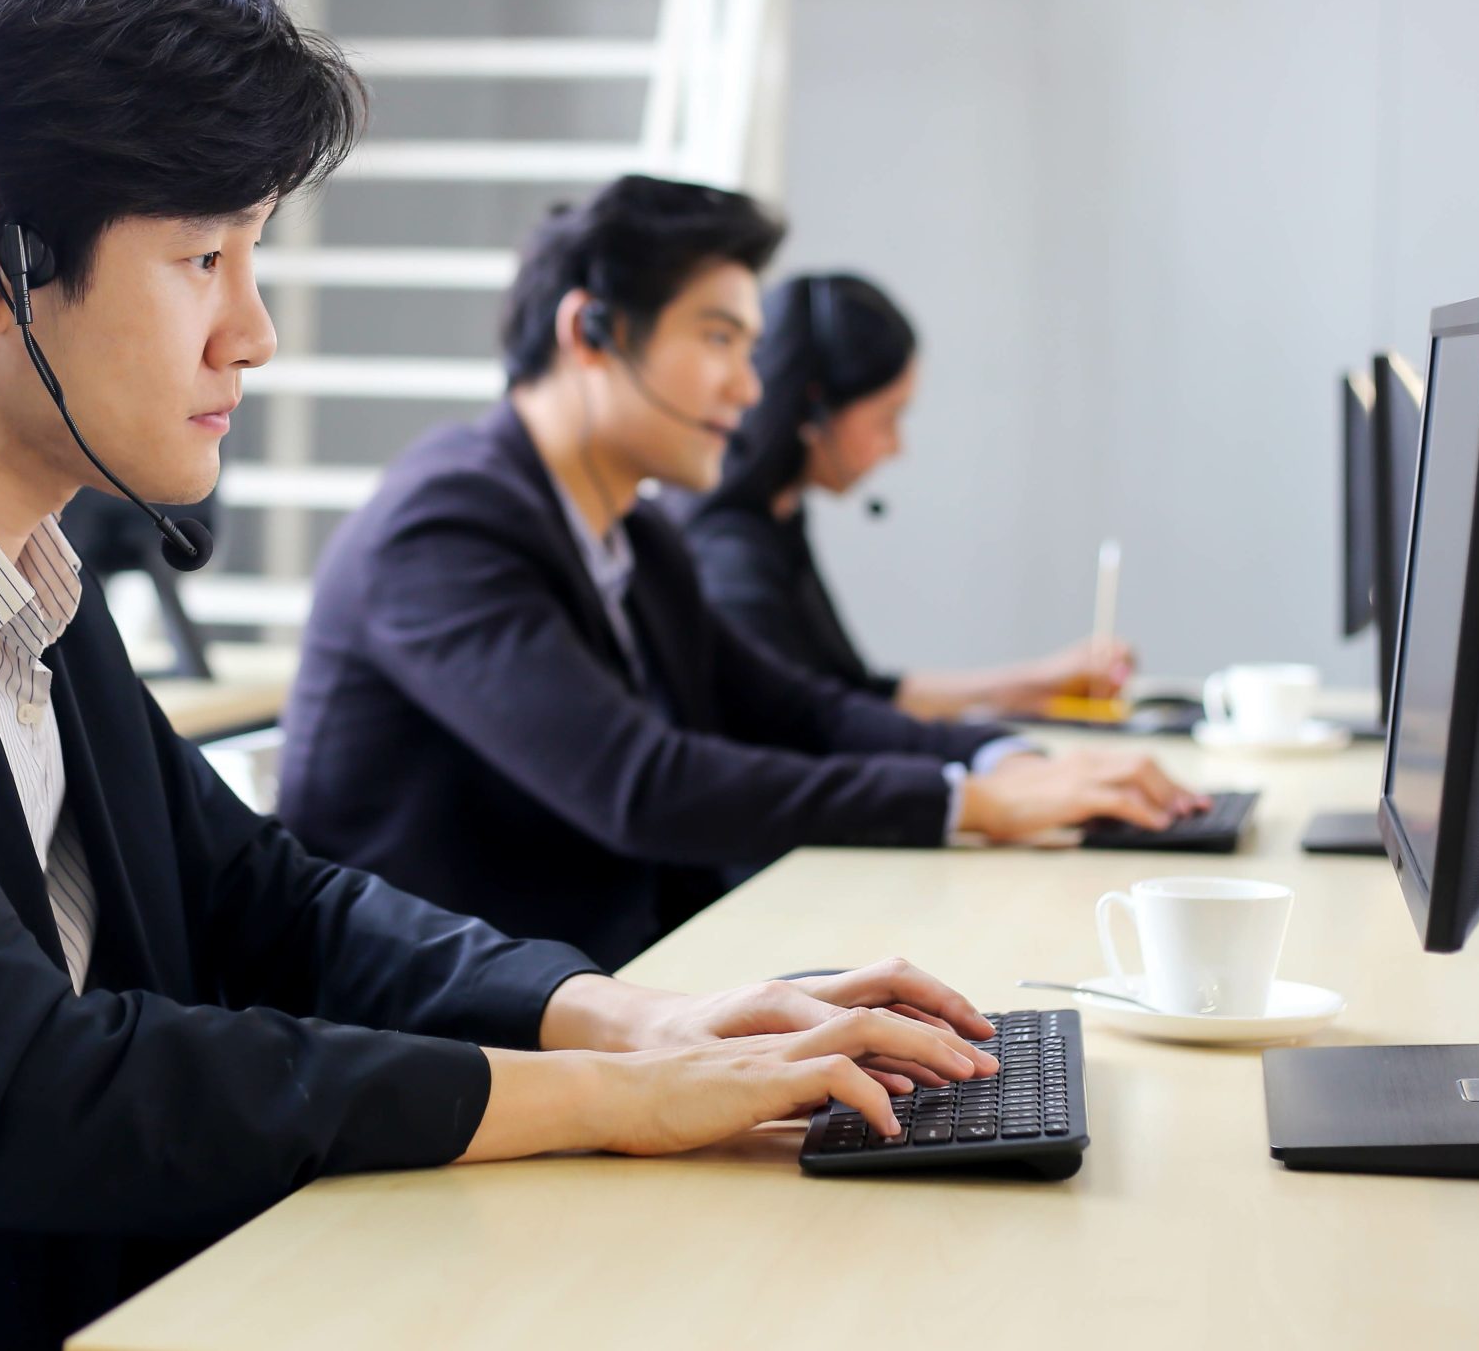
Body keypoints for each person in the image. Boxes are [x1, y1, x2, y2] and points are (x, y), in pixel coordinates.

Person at [0, 0, 1008, 1351]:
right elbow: (20, 1089)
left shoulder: (22, 563)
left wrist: (628, 1015)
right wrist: (609, 1098)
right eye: (203, 259)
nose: (252, 329)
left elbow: (269, 898)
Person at [278, 178, 1200, 968]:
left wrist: (1004, 756)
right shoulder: (443, 529)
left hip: (597, 988)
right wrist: (976, 803)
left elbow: (805, 711)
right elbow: (642, 785)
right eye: (719, 339)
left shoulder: (635, 534)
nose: (749, 387)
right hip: (443, 1037)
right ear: (591, 331)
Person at [672, 272, 1132, 717]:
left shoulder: (778, 518)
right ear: (815, 408)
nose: (896, 446)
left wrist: (1035, 683)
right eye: (887, 418)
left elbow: (853, 694)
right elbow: (822, 727)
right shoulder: (732, 562)